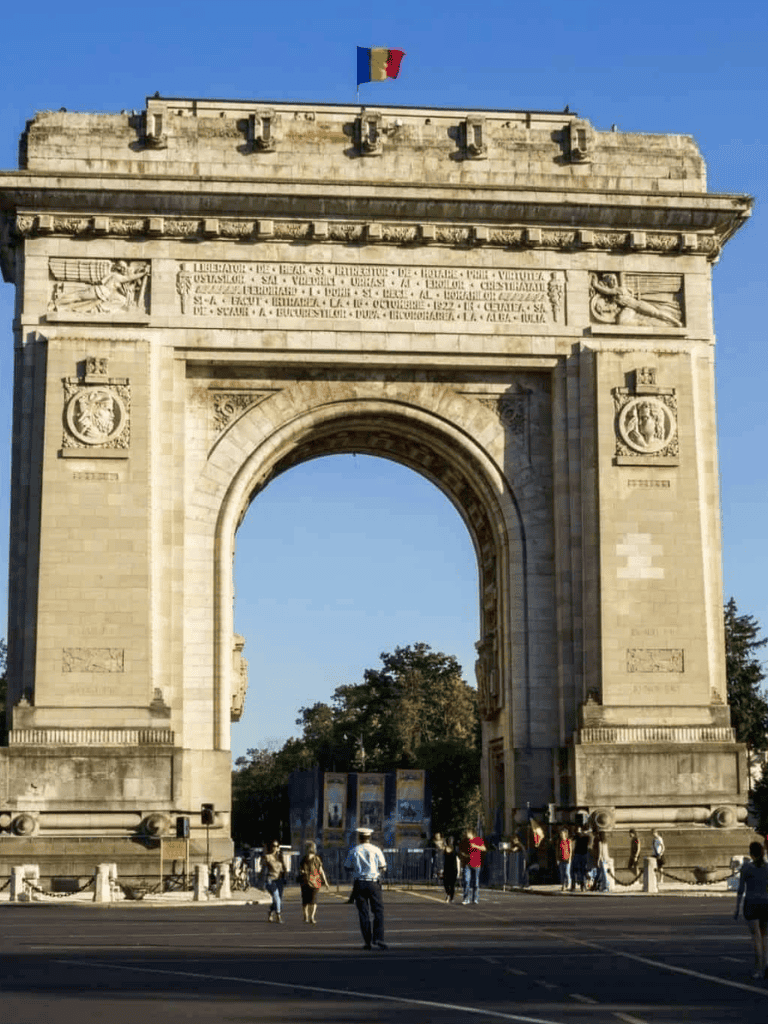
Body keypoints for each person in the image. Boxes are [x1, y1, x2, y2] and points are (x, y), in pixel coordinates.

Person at [344, 826, 388, 950]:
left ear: (359, 837)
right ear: (370, 837)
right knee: (378, 911)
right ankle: (378, 938)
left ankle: (367, 941)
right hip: (374, 883)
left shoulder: (354, 850)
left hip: (359, 883)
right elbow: (383, 866)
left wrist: (358, 870)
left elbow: (347, 866)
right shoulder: (376, 849)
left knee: (363, 913)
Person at [734, 841, 768, 979]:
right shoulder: (767, 868)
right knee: (764, 937)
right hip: (766, 903)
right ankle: (765, 965)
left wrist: (737, 908)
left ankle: (758, 969)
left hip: (752, 903)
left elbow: (741, 890)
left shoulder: (746, 868)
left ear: (751, 853)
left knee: (756, 938)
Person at [259, 839, 288, 923]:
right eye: (273, 846)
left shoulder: (280, 857)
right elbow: (263, 868)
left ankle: (271, 912)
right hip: (270, 880)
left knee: (277, 899)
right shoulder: (268, 857)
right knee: (277, 897)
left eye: (277, 846)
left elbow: (284, 869)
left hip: (279, 880)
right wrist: (261, 881)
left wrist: (285, 877)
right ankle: (278, 915)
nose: (275, 848)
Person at [459, 829, 486, 904]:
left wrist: (475, 846)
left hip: (476, 864)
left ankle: (475, 898)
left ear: (472, 833)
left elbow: (484, 848)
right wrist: (463, 855)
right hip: (467, 864)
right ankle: (466, 898)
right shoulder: (465, 841)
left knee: (475, 883)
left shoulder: (478, 839)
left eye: (468, 833)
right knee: (467, 881)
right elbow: (461, 851)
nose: (467, 834)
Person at [571, 826, 590, 892]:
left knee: (577, 871)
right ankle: (582, 886)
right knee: (581, 871)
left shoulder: (584, 836)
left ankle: (576, 886)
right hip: (581, 854)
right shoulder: (585, 836)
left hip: (580, 855)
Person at [442, 835, 460, 902]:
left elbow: (458, 858)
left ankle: (451, 897)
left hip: (453, 868)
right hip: (446, 868)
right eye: (449, 840)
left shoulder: (455, 848)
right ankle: (448, 893)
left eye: (452, 840)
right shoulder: (446, 848)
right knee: (445, 882)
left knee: (452, 884)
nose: (451, 841)